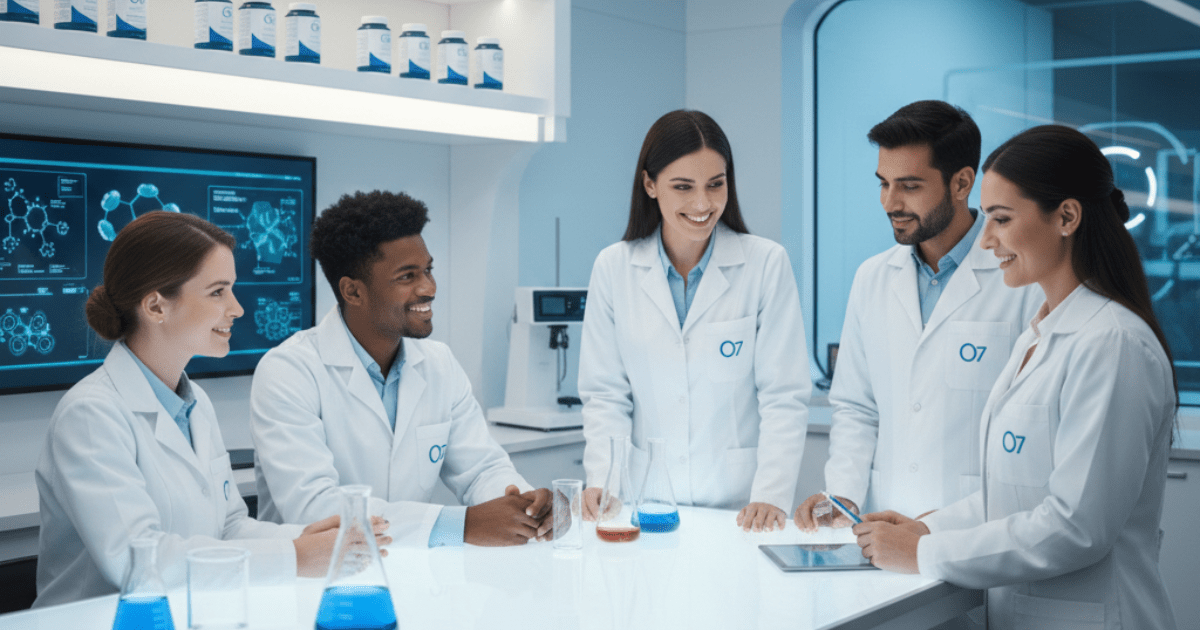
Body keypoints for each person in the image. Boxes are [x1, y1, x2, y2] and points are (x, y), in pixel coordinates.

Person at [854, 125, 1179, 629]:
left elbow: (1076, 527)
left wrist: (923, 553)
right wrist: (925, 528)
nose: (986, 239)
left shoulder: (1112, 343)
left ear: (1067, 217)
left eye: (1001, 219)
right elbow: (1008, 498)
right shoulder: (1040, 333)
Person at [34, 212, 382, 608]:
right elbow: (137, 561)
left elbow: (229, 527)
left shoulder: (194, 403)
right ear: (155, 306)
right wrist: (297, 557)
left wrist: (305, 539)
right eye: (218, 292)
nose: (236, 309)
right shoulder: (91, 414)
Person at [251, 190, 553, 548]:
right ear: (352, 291)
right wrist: (461, 525)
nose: (429, 288)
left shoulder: (439, 364)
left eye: (428, 270)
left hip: (413, 575)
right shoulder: (289, 371)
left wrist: (523, 504)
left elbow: (482, 468)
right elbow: (314, 508)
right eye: (407, 276)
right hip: (323, 584)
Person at [795, 101, 1042, 531]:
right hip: (884, 529)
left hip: (977, 529)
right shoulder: (873, 278)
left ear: (962, 182)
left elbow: (1032, 426)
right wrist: (844, 494)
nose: (891, 202)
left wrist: (942, 527)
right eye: (883, 184)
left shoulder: (1022, 281)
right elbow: (856, 406)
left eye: (909, 186)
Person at [578, 109, 810, 532]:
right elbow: (605, 394)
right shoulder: (614, 267)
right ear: (650, 184)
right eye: (682, 187)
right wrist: (604, 478)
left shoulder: (764, 264)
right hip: (645, 504)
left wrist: (770, 494)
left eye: (715, 185)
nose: (703, 204)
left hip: (739, 510)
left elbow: (784, 395)